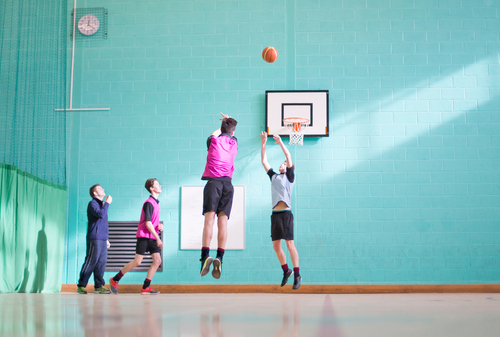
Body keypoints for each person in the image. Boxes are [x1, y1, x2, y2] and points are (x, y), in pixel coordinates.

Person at [260, 131, 301, 290]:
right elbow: (264, 161)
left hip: (286, 215)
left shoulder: (289, 177)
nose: (282, 164)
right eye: (282, 163)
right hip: (275, 215)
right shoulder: (274, 177)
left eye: (284, 163)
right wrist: (263, 143)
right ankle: (286, 271)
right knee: (276, 246)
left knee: (290, 244)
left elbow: (289, 156)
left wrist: (281, 143)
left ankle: (297, 275)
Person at [200, 112, 238, 279]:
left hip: (213, 183)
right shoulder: (234, 142)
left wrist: (223, 123)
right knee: (223, 222)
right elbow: (230, 133)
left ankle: (204, 256)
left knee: (209, 221)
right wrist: (228, 122)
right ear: (232, 132)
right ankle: (220, 257)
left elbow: (213, 134)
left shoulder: (213, 141)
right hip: (228, 185)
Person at [109, 178, 163, 295]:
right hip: (144, 237)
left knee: (157, 261)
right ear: (151, 188)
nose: (160, 186)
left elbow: (152, 222)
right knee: (137, 262)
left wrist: (159, 225)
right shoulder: (149, 203)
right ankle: (115, 280)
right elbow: (148, 224)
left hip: (152, 237)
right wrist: (158, 238)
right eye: (158, 185)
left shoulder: (156, 203)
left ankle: (145, 287)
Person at [77, 184, 112, 294]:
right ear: (95, 193)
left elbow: (103, 223)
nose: (103, 189)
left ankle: (99, 286)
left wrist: (106, 238)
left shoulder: (102, 204)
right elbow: (100, 215)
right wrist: (107, 203)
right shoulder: (92, 203)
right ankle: (81, 285)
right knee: (91, 261)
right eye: (100, 189)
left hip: (102, 238)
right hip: (94, 237)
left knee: (101, 262)